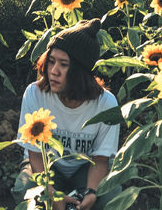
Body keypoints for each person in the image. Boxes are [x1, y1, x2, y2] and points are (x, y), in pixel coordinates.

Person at [11, 18, 121, 210]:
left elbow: (101, 159)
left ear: (80, 72)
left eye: (63, 64)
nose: (54, 71)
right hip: (47, 167)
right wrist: (50, 193)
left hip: (85, 169)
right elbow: (34, 154)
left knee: (111, 197)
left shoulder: (106, 103)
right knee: (26, 190)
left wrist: (92, 193)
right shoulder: (35, 94)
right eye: (51, 61)